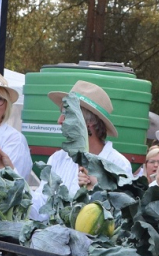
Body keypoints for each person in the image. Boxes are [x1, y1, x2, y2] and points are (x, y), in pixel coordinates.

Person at [29, 81, 133, 220]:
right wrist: (12, 179)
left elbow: (120, 221)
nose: (59, 120)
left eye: (66, 113)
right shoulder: (57, 159)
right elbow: (40, 211)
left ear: (88, 122)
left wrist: (96, 190)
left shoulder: (119, 165)